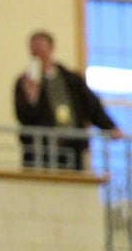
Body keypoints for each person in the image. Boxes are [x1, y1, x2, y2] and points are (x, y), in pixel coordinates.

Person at [13, 29, 122, 170]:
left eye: (42, 49)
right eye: (35, 50)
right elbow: (23, 116)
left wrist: (110, 127)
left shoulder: (71, 79)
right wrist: (32, 99)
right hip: (40, 148)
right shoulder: (25, 82)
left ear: (52, 49)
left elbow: (92, 106)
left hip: (72, 145)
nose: (38, 54)